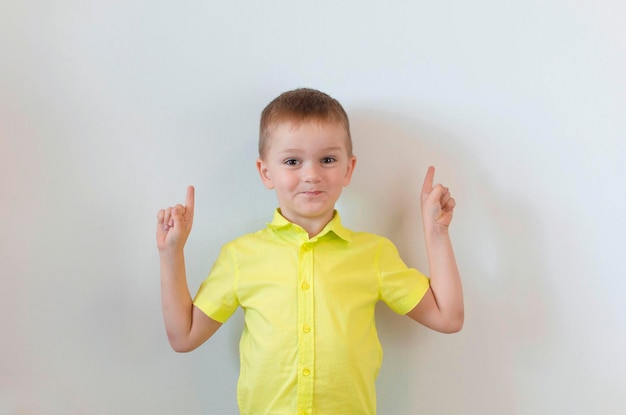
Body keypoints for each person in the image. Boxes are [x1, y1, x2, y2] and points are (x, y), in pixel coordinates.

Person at [156, 88, 463, 415]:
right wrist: (171, 254)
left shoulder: (374, 254)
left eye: (327, 160)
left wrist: (436, 232)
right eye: (292, 161)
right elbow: (184, 336)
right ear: (265, 172)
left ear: (348, 169)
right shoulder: (240, 256)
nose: (312, 174)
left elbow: (448, 316)